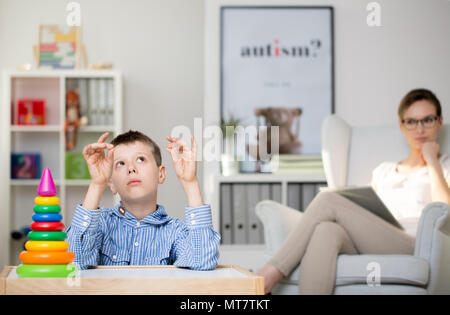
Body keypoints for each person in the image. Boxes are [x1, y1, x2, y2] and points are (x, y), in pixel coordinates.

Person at [257, 88, 450, 294]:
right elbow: (369, 211)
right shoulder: (383, 171)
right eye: (411, 121)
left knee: (328, 200)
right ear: (401, 126)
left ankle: (266, 276)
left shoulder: (444, 166)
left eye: (427, 120)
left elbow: (445, 214)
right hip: (373, 236)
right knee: (325, 230)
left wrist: (432, 162)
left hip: (414, 243)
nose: (420, 129)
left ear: (439, 122)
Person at [66, 130, 221, 270]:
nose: (131, 168)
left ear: (160, 174)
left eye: (140, 159)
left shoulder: (175, 231)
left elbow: (202, 262)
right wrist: (97, 183)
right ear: (111, 183)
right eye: (120, 163)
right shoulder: (100, 225)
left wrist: (190, 182)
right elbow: (74, 263)